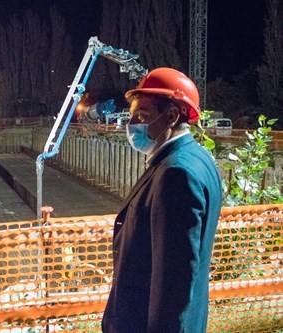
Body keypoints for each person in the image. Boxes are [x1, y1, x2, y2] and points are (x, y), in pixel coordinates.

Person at [102, 68, 222, 333]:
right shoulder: (200, 158)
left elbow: (173, 283)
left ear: (170, 116)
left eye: (141, 115)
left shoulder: (175, 175)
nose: (131, 124)